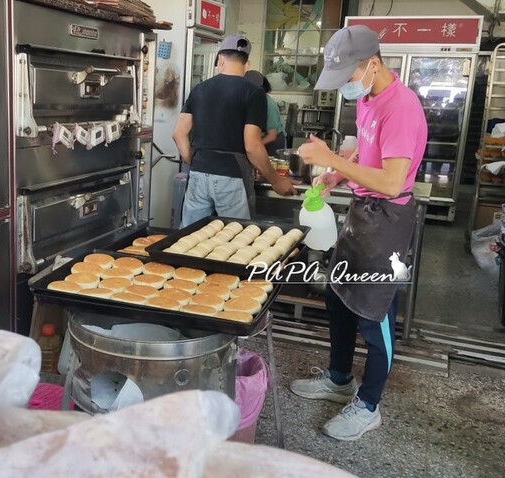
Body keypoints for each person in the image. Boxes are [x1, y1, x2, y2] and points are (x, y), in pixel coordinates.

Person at [290, 25, 427, 441]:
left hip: (386, 221)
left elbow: (391, 181)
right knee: (339, 299)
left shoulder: (401, 107)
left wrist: (331, 156)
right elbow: (363, 145)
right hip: (361, 214)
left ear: (373, 64)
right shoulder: (369, 97)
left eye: (349, 76)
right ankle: (338, 379)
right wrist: (338, 170)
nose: (347, 86)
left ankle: (368, 405)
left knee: (374, 314)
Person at [172, 34, 296, 227]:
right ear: (247, 65)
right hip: (232, 177)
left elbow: (178, 134)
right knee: (235, 238)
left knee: (189, 237)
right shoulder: (254, 93)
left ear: (220, 59)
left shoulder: (199, 89)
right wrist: (276, 180)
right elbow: (253, 145)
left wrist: (196, 161)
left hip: (198, 173)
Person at [244, 70, 287, 155]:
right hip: (261, 139)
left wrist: (254, 146)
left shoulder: (269, 104)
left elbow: (272, 135)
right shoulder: (251, 101)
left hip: (274, 142)